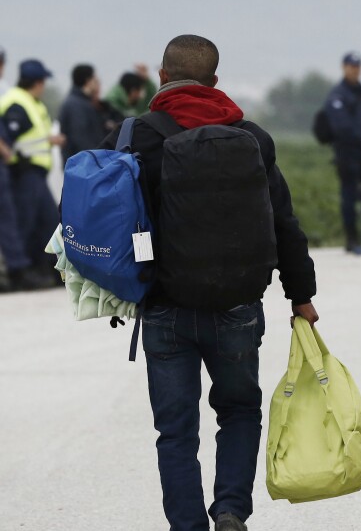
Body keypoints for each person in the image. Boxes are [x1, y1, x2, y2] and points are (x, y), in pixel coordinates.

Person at [98, 35, 318, 531]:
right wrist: (301, 294)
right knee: (239, 410)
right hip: (238, 306)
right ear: (215, 82)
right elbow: (284, 222)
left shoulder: (134, 138)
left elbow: (100, 217)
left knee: (175, 431)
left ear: (161, 77)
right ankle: (231, 510)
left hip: (164, 306)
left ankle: (188, 525)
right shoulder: (254, 139)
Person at [0, 59, 66, 278]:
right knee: (27, 222)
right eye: (43, 82)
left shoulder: (31, 102)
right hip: (25, 172)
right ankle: (24, 271)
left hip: (36, 174)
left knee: (48, 221)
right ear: (36, 83)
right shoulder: (17, 103)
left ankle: (47, 268)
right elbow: (10, 139)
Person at [323, 51, 361, 252]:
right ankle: (352, 239)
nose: (355, 70)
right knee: (349, 196)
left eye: (358, 66)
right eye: (351, 66)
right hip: (347, 153)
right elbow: (342, 127)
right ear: (344, 68)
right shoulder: (337, 95)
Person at [59, 64, 109, 165]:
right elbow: (81, 138)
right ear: (87, 80)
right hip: (83, 165)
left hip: (84, 164)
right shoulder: (76, 105)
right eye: (94, 79)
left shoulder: (83, 102)